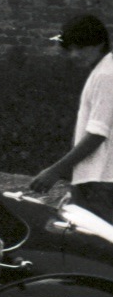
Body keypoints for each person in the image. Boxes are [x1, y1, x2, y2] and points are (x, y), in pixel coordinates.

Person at [30, 14, 113, 224]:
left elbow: (97, 133)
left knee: (96, 250)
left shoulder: (106, 75)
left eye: (82, 48)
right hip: (95, 179)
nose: (75, 55)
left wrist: (55, 171)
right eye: (71, 49)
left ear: (100, 44)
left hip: (100, 180)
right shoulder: (103, 71)